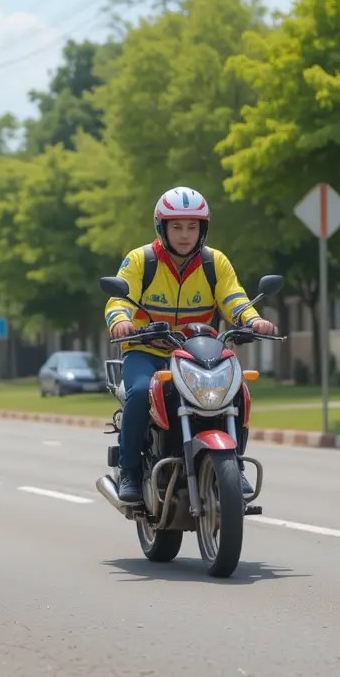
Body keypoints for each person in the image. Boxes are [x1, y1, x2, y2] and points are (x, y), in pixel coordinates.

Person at [105, 186, 279, 503]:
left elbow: (235, 300)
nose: (185, 234)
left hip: (198, 356)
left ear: (203, 228)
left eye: (192, 226)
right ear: (162, 228)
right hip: (147, 353)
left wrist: (253, 321)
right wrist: (120, 321)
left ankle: (234, 464)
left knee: (237, 391)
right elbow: (119, 299)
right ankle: (129, 471)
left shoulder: (215, 263)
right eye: (176, 226)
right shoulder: (141, 260)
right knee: (142, 391)